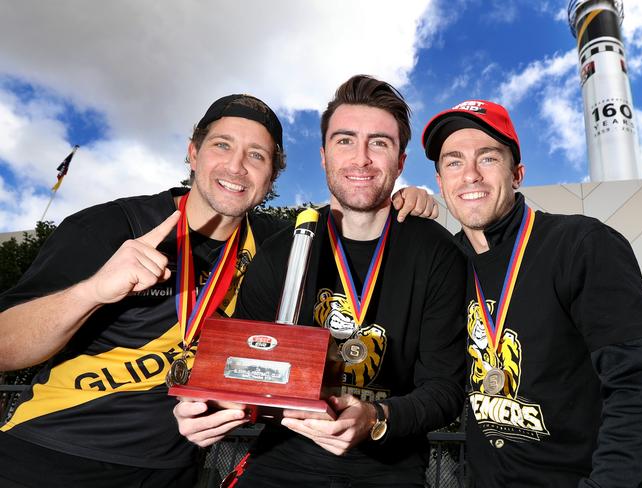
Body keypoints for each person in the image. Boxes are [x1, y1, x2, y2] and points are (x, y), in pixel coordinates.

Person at [0, 93, 435, 488]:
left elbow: (350, 215)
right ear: (193, 153)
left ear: (271, 176)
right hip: (50, 454)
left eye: (257, 155)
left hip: (176, 468)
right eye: (222, 146)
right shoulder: (114, 226)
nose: (237, 166)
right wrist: (92, 291)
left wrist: (397, 200)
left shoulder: (277, 244)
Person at [174, 75, 467, 487]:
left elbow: (444, 387)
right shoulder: (280, 251)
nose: (361, 158)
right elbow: (241, 371)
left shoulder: (437, 251)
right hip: (281, 462)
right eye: (345, 140)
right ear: (324, 155)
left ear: (400, 161)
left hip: (390, 469)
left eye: (379, 143)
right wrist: (204, 405)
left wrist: (379, 418)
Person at [422, 99, 642, 487]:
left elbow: (638, 384)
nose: (471, 175)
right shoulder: (446, 264)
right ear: (441, 183)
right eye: (454, 161)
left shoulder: (581, 244)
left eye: (488, 158)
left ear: (517, 174)